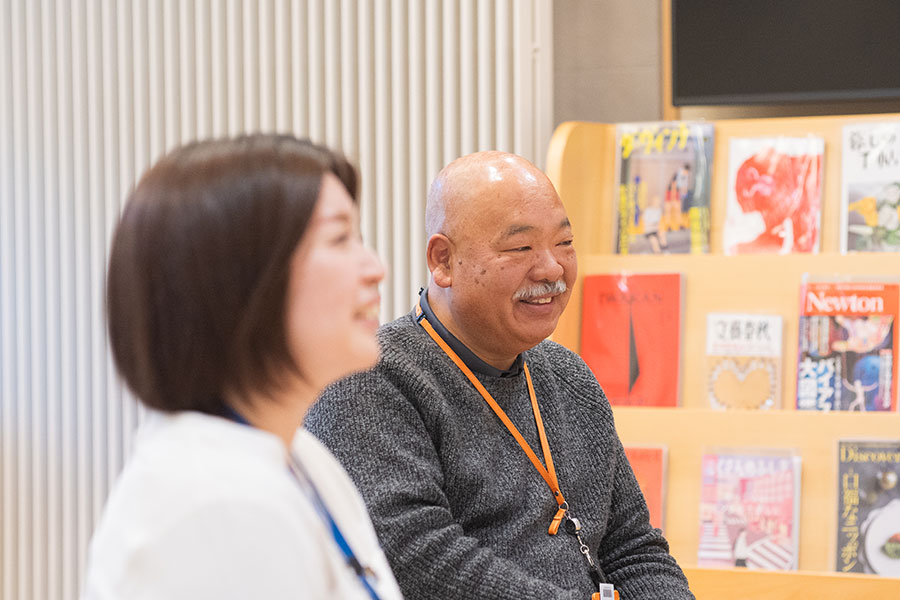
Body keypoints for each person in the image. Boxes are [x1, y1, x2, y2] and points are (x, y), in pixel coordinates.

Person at [306, 151, 695, 599]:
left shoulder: (569, 376)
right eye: (520, 247)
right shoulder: (371, 379)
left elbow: (633, 547)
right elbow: (415, 559)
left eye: (564, 243)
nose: (552, 268)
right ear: (443, 261)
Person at [83, 134, 403, 600]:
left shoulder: (300, 455)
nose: (376, 267)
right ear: (241, 283)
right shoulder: (217, 505)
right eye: (340, 238)